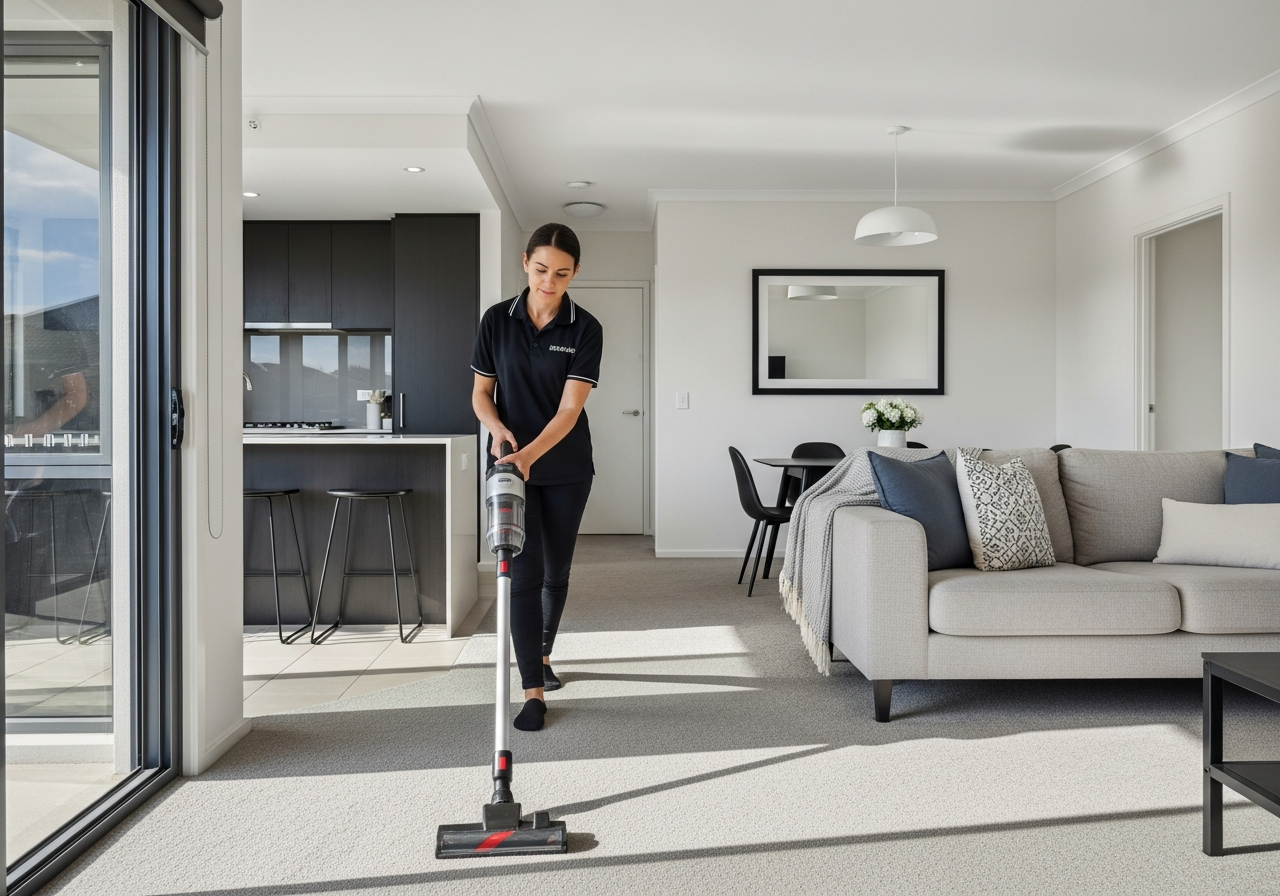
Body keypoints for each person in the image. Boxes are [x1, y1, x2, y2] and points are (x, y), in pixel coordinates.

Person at [470, 223, 602, 732]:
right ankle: (533, 690)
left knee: (555, 571)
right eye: (542, 269)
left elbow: (570, 409)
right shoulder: (496, 321)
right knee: (521, 576)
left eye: (562, 273)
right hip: (508, 464)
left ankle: (544, 653)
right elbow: (481, 393)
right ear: (525, 262)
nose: (550, 282)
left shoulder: (584, 328)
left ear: (574, 274)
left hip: (565, 465)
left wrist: (532, 454)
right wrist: (500, 430)